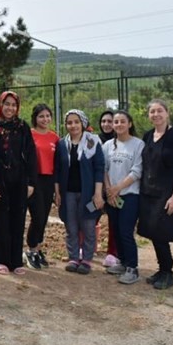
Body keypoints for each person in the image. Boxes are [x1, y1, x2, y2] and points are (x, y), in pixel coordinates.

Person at [139, 99, 173, 290]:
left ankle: (168, 272)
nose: (156, 115)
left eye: (160, 111)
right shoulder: (148, 136)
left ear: (167, 113)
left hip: (166, 193)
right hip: (147, 192)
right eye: (152, 112)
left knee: (162, 233)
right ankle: (161, 269)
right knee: (152, 232)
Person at [0, 91, 37, 275]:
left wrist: (31, 182)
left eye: (13, 105)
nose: (10, 108)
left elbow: (31, 155)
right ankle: (1, 260)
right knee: (0, 221)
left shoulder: (22, 126)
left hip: (19, 180)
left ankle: (16, 261)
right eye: (6, 104)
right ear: (0, 105)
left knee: (18, 219)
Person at [54, 109, 104, 275]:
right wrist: (57, 193)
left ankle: (87, 260)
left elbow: (99, 168)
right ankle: (74, 258)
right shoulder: (62, 144)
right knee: (71, 226)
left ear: (83, 123)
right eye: (69, 122)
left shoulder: (93, 142)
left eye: (76, 122)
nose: (73, 125)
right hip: (68, 193)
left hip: (88, 194)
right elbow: (57, 170)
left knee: (89, 226)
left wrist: (98, 193)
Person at [102, 111, 144, 284]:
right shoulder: (107, 146)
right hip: (112, 196)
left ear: (130, 124)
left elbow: (137, 171)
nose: (118, 124)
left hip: (130, 195)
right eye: (116, 122)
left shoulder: (138, 144)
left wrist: (118, 188)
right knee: (116, 229)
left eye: (122, 121)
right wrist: (109, 191)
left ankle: (132, 268)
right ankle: (122, 262)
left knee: (126, 231)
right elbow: (103, 169)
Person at [25, 103, 59, 269]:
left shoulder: (55, 137)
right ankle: (31, 249)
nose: (45, 119)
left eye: (47, 116)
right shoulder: (29, 135)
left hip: (49, 181)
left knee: (44, 217)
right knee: (37, 216)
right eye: (41, 116)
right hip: (34, 179)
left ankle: (37, 248)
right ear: (35, 118)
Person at [97, 109, 119, 268]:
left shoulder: (121, 142)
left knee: (114, 220)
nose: (106, 124)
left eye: (110, 121)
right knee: (90, 213)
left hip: (114, 191)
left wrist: (111, 188)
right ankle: (86, 248)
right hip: (98, 191)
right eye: (103, 121)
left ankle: (112, 252)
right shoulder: (94, 140)